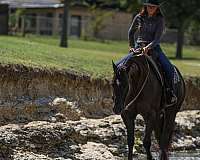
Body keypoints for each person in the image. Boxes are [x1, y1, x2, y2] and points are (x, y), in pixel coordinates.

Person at [117, 0, 177, 105]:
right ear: (146, 6)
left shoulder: (160, 19)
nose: (151, 9)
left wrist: (148, 47)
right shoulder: (139, 17)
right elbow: (131, 32)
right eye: (149, 6)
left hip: (154, 48)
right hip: (138, 47)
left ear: (157, 8)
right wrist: (131, 46)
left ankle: (169, 93)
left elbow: (157, 39)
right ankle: (119, 92)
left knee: (169, 68)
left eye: (153, 7)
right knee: (118, 65)